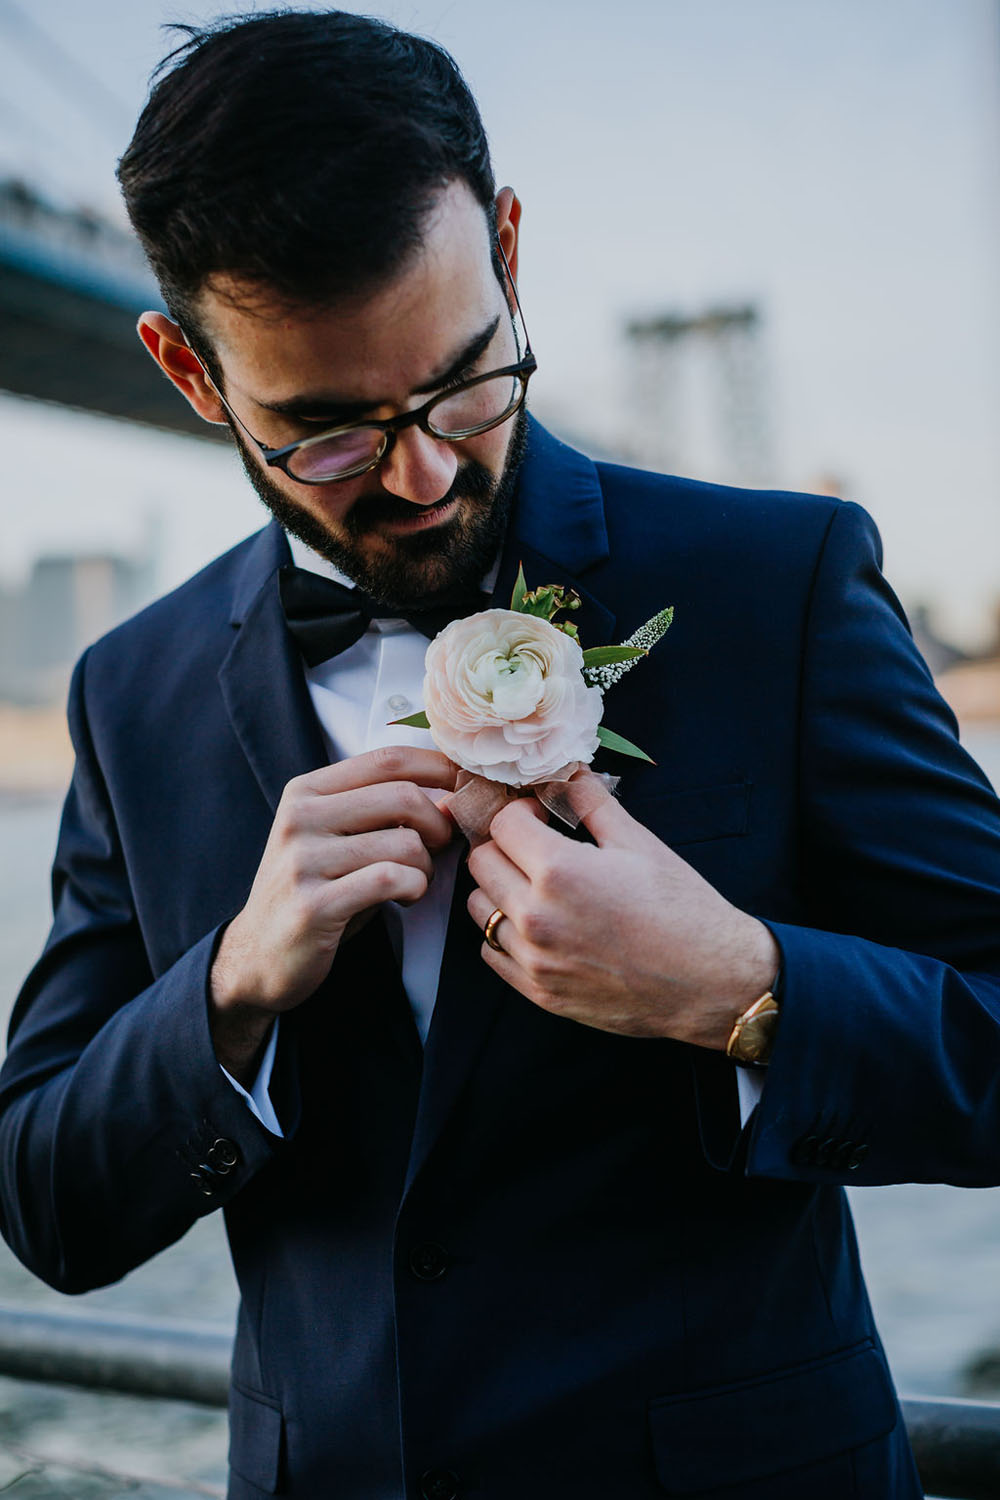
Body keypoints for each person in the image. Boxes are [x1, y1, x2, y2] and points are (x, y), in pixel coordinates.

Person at [2, 11, 999, 1498]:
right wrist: (226, 989)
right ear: (190, 373)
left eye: (466, 384)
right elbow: (49, 1205)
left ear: (510, 249)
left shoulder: (775, 583)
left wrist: (740, 990)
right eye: (327, 433)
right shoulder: (127, 691)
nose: (420, 474)